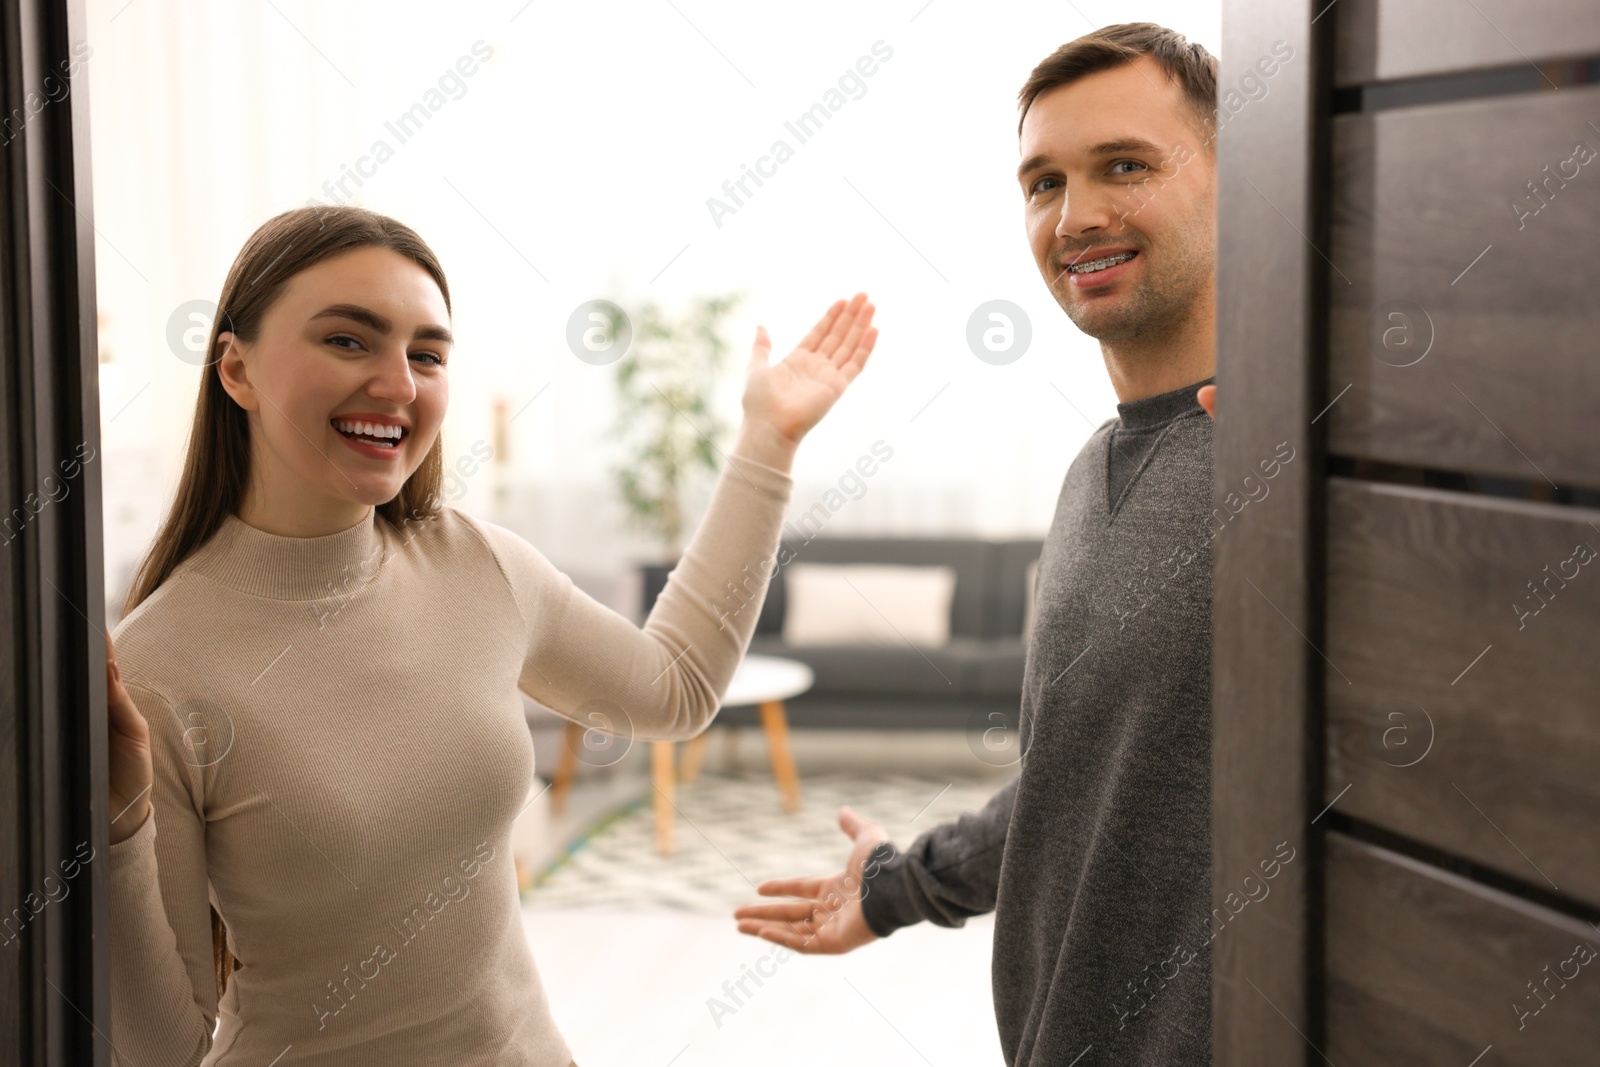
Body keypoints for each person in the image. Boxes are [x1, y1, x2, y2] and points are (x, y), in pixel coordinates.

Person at [104, 204, 878, 1066]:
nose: (398, 383)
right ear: (237, 369)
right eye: (348, 341)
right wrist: (117, 827)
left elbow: (675, 687)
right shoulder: (159, 665)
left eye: (426, 354)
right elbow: (161, 1049)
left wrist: (767, 443)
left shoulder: (476, 566)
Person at [734, 23, 1224, 1065]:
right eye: (1042, 183)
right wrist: (901, 883)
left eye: (1124, 166)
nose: (1076, 215)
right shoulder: (1091, 475)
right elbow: (1080, 780)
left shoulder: (1311, 459)